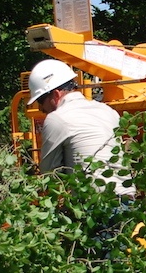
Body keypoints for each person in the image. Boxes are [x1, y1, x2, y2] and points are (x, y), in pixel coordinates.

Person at [27, 58, 134, 197]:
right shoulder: (109, 111)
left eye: (41, 101)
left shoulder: (57, 118)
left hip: (95, 205)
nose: (41, 108)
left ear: (56, 94)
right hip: (128, 201)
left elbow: (50, 175)